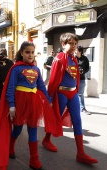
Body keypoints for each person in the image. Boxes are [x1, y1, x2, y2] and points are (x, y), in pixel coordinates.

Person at [0, 41, 62, 170]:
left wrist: (48, 100)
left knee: (33, 130)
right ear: (22, 53)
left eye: (32, 52)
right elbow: (11, 87)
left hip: (33, 102)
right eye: (27, 52)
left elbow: (40, 86)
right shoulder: (16, 68)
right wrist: (12, 105)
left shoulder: (36, 69)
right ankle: (10, 147)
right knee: (17, 129)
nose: (30, 55)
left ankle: (34, 159)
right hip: (19, 103)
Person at [42, 32, 98, 164]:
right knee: (56, 117)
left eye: (75, 43)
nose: (73, 46)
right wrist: (49, 99)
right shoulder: (59, 59)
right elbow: (53, 80)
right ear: (63, 44)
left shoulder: (73, 59)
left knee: (77, 121)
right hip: (61, 94)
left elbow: (76, 76)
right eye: (70, 43)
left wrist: (77, 90)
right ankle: (46, 139)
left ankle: (81, 153)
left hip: (73, 94)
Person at [0, 48, 14, 117]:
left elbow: (13, 73)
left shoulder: (10, 62)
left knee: (9, 101)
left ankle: (8, 117)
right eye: (0, 55)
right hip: (0, 85)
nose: (1, 57)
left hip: (9, 85)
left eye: (3, 55)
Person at [75, 46, 91, 115]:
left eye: (76, 50)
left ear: (80, 51)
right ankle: (72, 108)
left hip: (81, 79)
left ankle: (82, 108)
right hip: (73, 79)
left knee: (80, 94)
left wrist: (83, 71)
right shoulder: (73, 58)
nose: (75, 51)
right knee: (72, 94)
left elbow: (87, 68)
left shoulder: (85, 59)